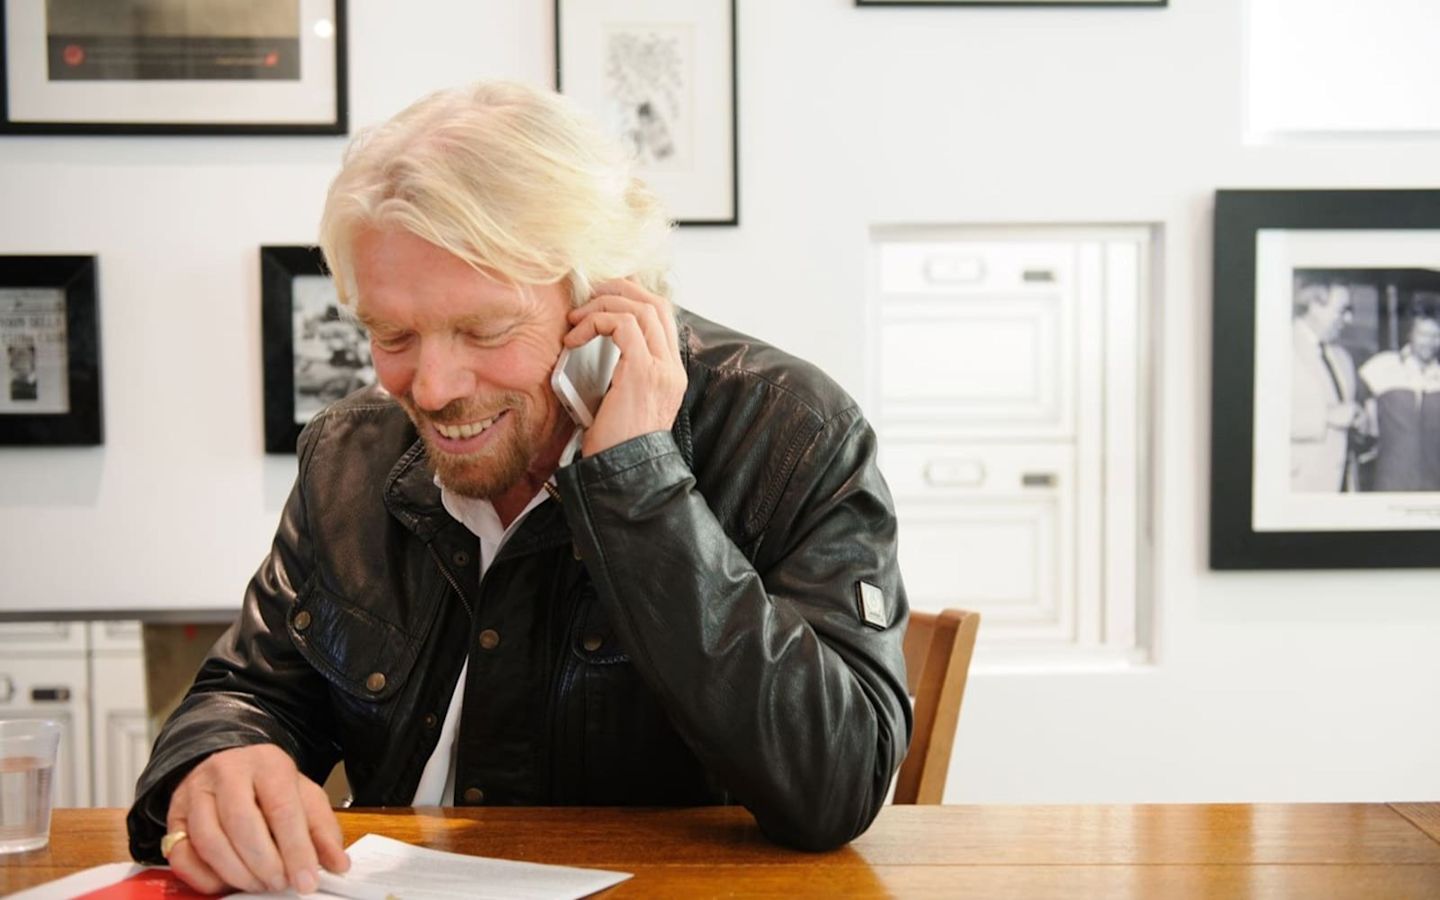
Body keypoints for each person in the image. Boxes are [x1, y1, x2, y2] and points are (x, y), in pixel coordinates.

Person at [126, 81, 912, 895]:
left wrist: (637, 487)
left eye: (484, 330)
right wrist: (221, 754)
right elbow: (250, 691)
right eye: (392, 335)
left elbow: (837, 785)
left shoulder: (789, 432)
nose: (430, 388)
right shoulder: (350, 454)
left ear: (604, 302)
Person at [1290, 274, 1366, 492]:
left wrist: (1357, 421)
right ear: (1315, 305)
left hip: (1343, 484)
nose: (1349, 319)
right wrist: (1327, 416)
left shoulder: (1343, 357)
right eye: (1343, 310)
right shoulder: (1275, 346)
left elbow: (1345, 420)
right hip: (1300, 486)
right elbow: (1258, 419)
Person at [1358, 313, 1440, 491]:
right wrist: (1370, 420)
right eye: (1423, 334)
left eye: (1436, 336)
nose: (1430, 342)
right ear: (1410, 334)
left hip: (1433, 483)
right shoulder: (1383, 365)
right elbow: (1354, 395)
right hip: (1391, 479)